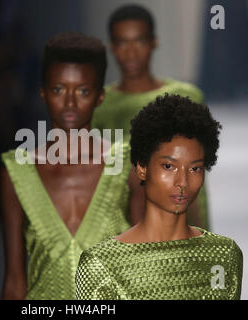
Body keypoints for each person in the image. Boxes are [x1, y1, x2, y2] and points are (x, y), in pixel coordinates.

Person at [0, 32, 144, 300]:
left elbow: (141, 270)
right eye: (58, 89)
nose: (69, 102)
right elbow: (15, 280)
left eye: (82, 91)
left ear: (100, 97)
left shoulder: (127, 167)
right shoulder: (17, 174)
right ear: (43, 94)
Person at [76, 94, 243, 300]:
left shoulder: (224, 255)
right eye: (168, 166)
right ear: (142, 169)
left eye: (195, 168)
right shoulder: (99, 263)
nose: (182, 181)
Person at [92, 4, 209, 229]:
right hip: (119, 226)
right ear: (112, 47)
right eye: (122, 43)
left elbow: (196, 173)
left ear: (154, 42)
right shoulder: (100, 106)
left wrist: (201, 232)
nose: (131, 51)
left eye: (139, 41)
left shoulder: (186, 97)